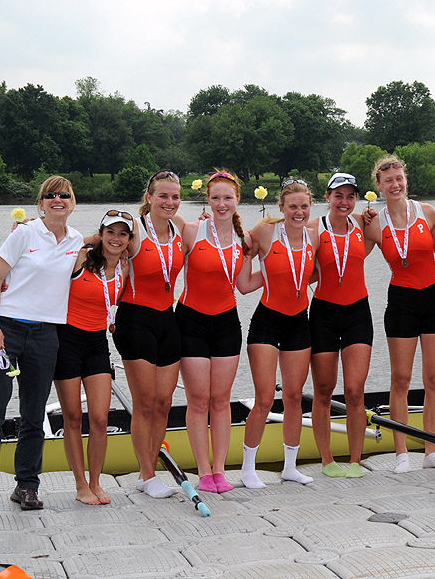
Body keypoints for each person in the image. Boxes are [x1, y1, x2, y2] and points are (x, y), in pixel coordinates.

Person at [0, 176, 84, 514]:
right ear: (41, 203)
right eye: (50, 196)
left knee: (33, 416)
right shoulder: (24, 233)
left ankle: (27, 486)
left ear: (73, 202)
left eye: (64, 195)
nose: (58, 199)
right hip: (6, 331)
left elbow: (107, 242)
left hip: (46, 335)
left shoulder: (75, 240)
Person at [362, 156, 435, 473]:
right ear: (379, 185)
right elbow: (345, 250)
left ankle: (431, 451)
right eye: (389, 181)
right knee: (400, 380)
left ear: (405, 180)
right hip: (400, 300)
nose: (395, 184)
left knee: (433, 379)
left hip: (433, 298)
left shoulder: (428, 213)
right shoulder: (372, 223)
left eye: (399, 178)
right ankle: (402, 454)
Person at [176, 171, 256, 493]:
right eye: (215, 198)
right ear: (207, 200)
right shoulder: (192, 231)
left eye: (228, 198)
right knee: (198, 399)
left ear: (237, 200)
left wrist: (287, 273)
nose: (221, 204)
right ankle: (203, 472)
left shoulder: (245, 239)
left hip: (226, 322)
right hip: (191, 321)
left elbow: (245, 285)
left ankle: (221, 470)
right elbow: (162, 259)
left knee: (221, 400)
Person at [239, 178, 319, 486]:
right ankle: (248, 469)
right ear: (281, 207)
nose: (298, 212)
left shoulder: (315, 236)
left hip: (299, 320)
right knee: (264, 397)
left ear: (310, 207)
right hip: (267, 322)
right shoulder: (264, 232)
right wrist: (255, 267)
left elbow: (313, 272)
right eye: (292, 207)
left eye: (304, 206)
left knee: (294, 396)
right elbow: (244, 284)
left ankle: (290, 467)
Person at [113, 170, 185, 498]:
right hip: (135, 321)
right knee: (143, 403)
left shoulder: (181, 228)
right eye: (163, 196)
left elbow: (228, 231)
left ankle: (148, 473)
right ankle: (147, 474)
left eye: (174, 196)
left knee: (164, 402)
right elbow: (94, 245)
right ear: (149, 198)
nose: (169, 202)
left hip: (167, 320)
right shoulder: (134, 230)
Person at [54, 211, 132, 505]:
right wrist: (94, 240)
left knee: (99, 419)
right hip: (67, 343)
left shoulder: (124, 269)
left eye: (122, 234)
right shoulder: (81, 259)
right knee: (73, 418)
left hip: (98, 343)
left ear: (129, 240)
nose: (116, 238)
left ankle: (96, 482)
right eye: (110, 232)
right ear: (101, 234)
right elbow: (63, 243)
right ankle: (80, 484)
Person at [309, 173, 374, 478]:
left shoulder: (363, 224)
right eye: (338, 196)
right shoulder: (312, 229)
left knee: (355, 390)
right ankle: (326, 460)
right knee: (323, 389)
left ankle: (356, 461)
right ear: (327, 197)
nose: (344, 202)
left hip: (357, 313)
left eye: (350, 196)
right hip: (323, 313)